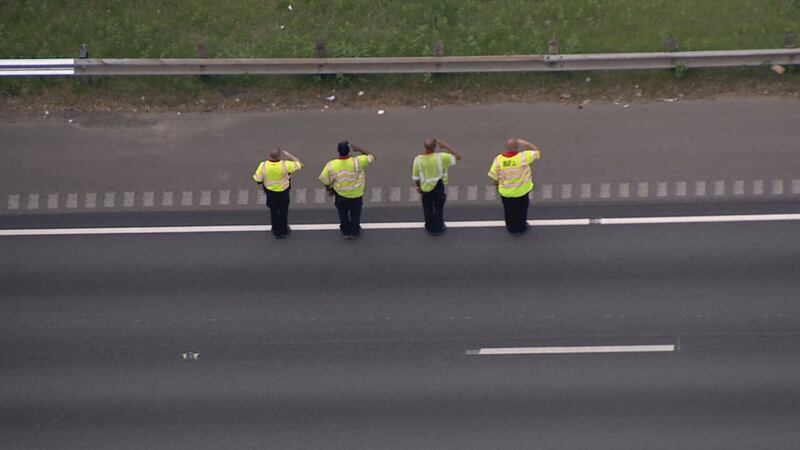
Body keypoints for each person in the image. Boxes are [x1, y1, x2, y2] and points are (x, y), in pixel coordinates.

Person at [319, 140, 376, 240]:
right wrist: (359, 149)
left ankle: (345, 232)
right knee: (355, 214)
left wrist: (329, 190)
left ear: (338, 151)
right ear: (349, 151)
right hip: (356, 194)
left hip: (341, 195)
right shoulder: (357, 161)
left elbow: (325, 179)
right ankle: (354, 231)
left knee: (343, 213)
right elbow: (372, 156)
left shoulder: (331, 165)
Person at [487, 138, 542, 234]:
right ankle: (521, 227)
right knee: (522, 210)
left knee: (509, 211)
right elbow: (536, 152)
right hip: (522, 191)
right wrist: (526, 143)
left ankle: (511, 228)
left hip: (506, 192)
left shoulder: (499, 159)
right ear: (517, 147)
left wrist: (497, 186)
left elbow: (494, 176)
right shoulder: (524, 157)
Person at [412, 138, 462, 235]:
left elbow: (416, 177)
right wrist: (446, 146)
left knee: (427, 207)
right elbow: (458, 157)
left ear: (424, 146)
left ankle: (429, 226)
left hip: (425, 188)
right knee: (439, 208)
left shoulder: (418, 159)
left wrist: (418, 186)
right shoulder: (441, 157)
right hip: (438, 186)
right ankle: (439, 227)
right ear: (435, 147)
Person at [252, 147, 303, 239]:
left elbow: (258, 180)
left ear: (270, 156)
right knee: (283, 212)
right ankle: (284, 230)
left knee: (273, 211)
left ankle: (275, 230)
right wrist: (289, 155)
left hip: (271, 193)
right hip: (283, 192)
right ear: (279, 155)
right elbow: (300, 165)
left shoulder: (263, 166)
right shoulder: (285, 165)